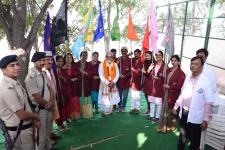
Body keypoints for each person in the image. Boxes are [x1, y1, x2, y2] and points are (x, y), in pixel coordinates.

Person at [173, 56, 214, 150]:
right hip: (184, 111)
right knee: (182, 133)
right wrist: (176, 106)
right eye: (192, 63)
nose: (193, 66)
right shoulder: (188, 77)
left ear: (202, 66)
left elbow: (209, 102)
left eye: (196, 64)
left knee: (194, 139)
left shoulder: (206, 81)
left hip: (197, 115)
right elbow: (182, 93)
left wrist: (205, 119)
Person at [0, 55, 40, 150]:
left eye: (17, 64)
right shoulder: (6, 87)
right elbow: (21, 114)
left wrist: (33, 119)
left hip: (25, 128)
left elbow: (26, 105)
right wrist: (36, 117)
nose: (17, 67)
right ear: (3, 70)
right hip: (19, 132)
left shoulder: (15, 83)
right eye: (12, 65)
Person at [25, 52, 54, 150]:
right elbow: (36, 97)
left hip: (48, 108)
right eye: (40, 61)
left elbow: (49, 88)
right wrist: (48, 104)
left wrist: (52, 102)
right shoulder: (31, 77)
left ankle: (48, 148)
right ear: (34, 62)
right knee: (41, 136)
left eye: (43, 60)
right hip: (39, 110)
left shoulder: (43, 73)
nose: (42, 62)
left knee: (48, 133)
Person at [157, 55, 185, 132]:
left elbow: (179, 86)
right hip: (165, 93)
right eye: (172, 60)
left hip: (173, 94)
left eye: (175, 60)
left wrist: (169, 86)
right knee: (164, 109)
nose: (173, 62)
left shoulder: (181, 73)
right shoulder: (168, 70)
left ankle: (171, 126)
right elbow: (163, 80)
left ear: (179, 62)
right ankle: (164, 125)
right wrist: (163, 74)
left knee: (171, 110)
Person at [148, 51, 165, 122]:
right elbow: (148, 73)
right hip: (152, 86)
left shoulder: (165, 66)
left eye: (159, 55)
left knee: (158, 103)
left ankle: (157, 117)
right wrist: (149, 69)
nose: (158, 56)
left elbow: (166, 78)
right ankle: (151, 116)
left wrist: (158, 78)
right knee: (152, 102)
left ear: (162, 56)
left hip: (160, 87)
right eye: (156, 55)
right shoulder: (153, 64)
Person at [64, 53, 80, 121]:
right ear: (65, 59)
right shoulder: (63, 67)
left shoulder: (75, 66)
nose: (69, 59)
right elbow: (61, 77)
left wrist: (75, 79)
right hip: (66, 88)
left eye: (70, 57)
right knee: (68, 102)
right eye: (67, 57)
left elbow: (79, 75)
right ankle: (68, 117)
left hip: (74, 87)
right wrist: (69, 80)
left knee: (75, 102)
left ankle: (74, 117)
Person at [76, 51, 93, 118]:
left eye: (86, 55)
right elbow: (74, 73)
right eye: (83, 55)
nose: (84, 56)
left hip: (87, 84)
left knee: (87, 97)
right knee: (79, 98)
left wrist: (84, 72)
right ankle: (80, 114)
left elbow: (91, 74)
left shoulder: (89, 64)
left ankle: (87, 114)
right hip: (79, 84)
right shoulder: (77, 64)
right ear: (80, 56)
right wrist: (79, 74)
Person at [55, 55, 68, 131]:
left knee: (62, 108)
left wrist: (63, 78)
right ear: (55, 61)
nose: (61, 62)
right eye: (59, 61)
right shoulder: (54, 70)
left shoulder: (63, 70)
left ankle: (61, 124)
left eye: (62, 61)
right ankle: (59, 125)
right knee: (58, 109)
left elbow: (67, 80)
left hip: (63, 92)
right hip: (56, 93)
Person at [117, 46, 131, 112]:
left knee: (125, 96)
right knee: (119, 96)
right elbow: (113, 67)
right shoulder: (118, 59)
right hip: (119, 81)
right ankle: (119, 107)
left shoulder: (130, 60)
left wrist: (125, 76)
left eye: (125, 51)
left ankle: (123, 107)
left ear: (127, 52)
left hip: (126, 82)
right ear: (121, 52)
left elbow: (131, 71)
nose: (124, 52)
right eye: (122, 51)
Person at [129, 49, 143, 114]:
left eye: (137, 54)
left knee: (138, 97)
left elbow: (140, 72)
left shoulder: (142, 61)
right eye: (135, 54)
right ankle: (132, 108)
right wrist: (129, 54)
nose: (136, 55)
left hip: (139, 82)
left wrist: (133, 69)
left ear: (140, 54)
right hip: (132, 82)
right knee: (132, 96)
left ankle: (137, 109)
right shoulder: (132, 60)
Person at [142, 51, 155, 115]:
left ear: (152, 56)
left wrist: (145, 72)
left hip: (151, 82)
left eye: (148, 56)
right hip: (145, 82)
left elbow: (149, 74)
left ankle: (151, 110)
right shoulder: (144, 62)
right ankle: (149, 108)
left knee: (150, 97)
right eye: (146, 56)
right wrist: (145, 72)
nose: (147, 57)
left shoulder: (154, 63)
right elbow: (145, 73)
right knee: (146, 95)